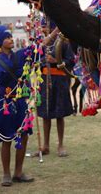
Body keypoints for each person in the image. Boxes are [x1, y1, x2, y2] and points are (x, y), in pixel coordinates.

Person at [0, 26, 34, 186]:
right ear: (0, 41)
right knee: (7, 138)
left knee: (23, 136)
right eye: (7, 37)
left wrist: (54, 33)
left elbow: (39, 47)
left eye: (11, 37)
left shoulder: (21, 55)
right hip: (5, 103)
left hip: (20, 101)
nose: (11, 39)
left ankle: (18, 172)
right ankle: (6, 174)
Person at [37, 19, 75, 157]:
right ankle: (45, 145)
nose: (43, 30)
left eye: (45, 27)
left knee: (59, 114)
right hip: (45, 80)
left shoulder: (63, 42)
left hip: (60, 81)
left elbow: (71, 60)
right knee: (45, 115)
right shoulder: (40, 44)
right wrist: (42, 61)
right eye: (41, 27)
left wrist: (57, 61)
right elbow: (35, 59)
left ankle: (60, 144)